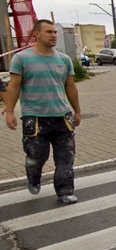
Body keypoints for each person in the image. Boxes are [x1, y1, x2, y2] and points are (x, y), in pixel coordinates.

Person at [4, 19, 82, 204]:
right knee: (37, 156)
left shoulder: (64, 59)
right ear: (37, 34)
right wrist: (9, 112)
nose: (53, 35)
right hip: (35, 118)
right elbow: (13, 87)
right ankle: (33, 175)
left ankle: (65, 191)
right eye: (49, 32)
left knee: (66, 157)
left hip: (62, 116)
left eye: (55, 32)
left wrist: (77, 111)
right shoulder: (22, 58)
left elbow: (70, 87)